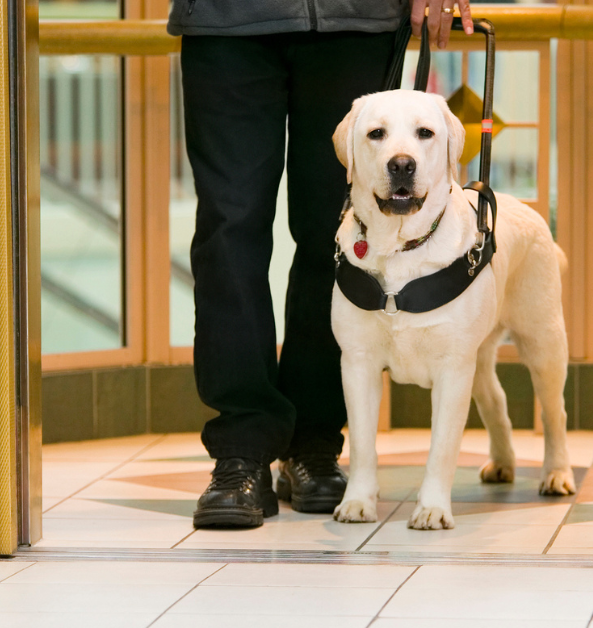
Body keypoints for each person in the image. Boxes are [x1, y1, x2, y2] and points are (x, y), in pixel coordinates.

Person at [171, 0, 474, 529]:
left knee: (336, 228)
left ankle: (313, 443)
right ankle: (241, 450)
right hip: (225, 20)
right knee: (228, 228)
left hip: (356, 18)